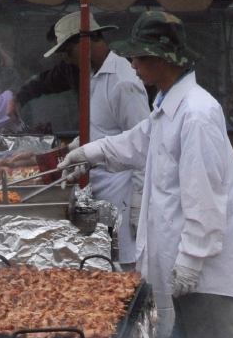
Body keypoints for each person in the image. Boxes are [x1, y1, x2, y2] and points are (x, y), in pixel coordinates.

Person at [59, 12, 233, 338]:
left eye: (139, 58)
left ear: (162, 60)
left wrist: (192, 259)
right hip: (187, 264)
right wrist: (90, 153)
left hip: (205, 269)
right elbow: (137, 143)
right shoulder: (168, 106)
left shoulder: (198, 114)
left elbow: (206, 198)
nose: (132, 65)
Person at [13, 13, 150, 265]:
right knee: (102, 266)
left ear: (84, 43)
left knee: (126, 270)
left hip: (123, 196)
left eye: (66, 52)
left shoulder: (123, 82)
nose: (65, 60)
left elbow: (144, 143)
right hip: (99, 192)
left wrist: (139, 200)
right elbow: (101, 130)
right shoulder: (93, 77)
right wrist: (75, 149)